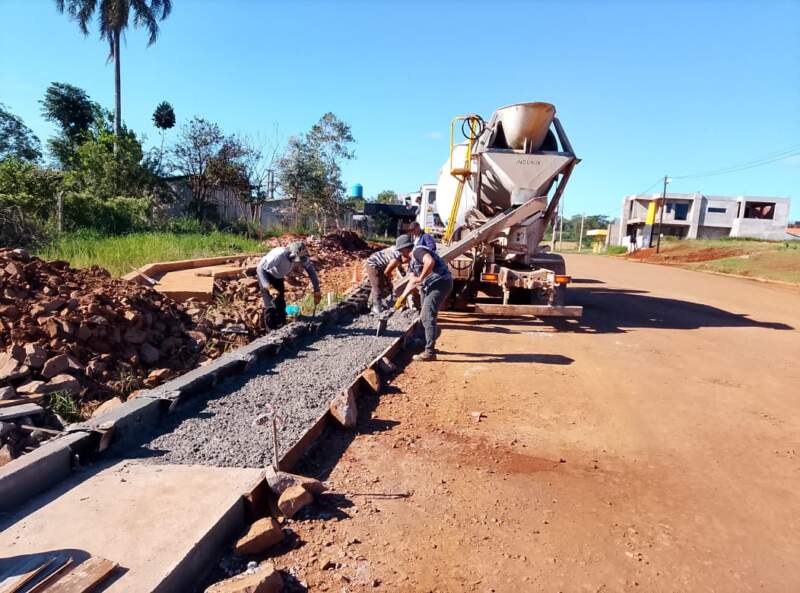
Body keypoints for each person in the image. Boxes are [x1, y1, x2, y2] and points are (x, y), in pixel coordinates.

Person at [400, 242, 452, 361]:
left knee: (427, 316)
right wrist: (402, 297)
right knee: (424, 314)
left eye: (400, 252)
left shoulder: (417, 251)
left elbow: (430, 262)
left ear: (404, 249)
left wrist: (421, 277)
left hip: (439, 283)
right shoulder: (412, 263)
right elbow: (412, 281)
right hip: (429, 286)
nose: (400, 256)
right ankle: (422, 342)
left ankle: (430, 352)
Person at [257, 241, 321, 329]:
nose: (298, 263)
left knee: (280, 303)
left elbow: (311, 272)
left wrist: (317, 290)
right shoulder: (278, 255)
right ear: (290, 254)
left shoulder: (302, 257)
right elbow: (260, 269)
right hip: (266, 276)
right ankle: (270, 332)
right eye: (296, 259)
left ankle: (283, 328)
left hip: (278, 277)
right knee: (270, 305)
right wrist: (269, 287)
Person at [365, 234, 413, 314]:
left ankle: (370, 303)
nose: (406, 263)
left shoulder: (401, 253)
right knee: (377, 286)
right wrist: (389, 281)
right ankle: (376, 308)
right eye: (406, 261)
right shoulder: (395, 259)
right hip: (373, 264)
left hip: (381, 265)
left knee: (380, 285)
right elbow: (387, 272)